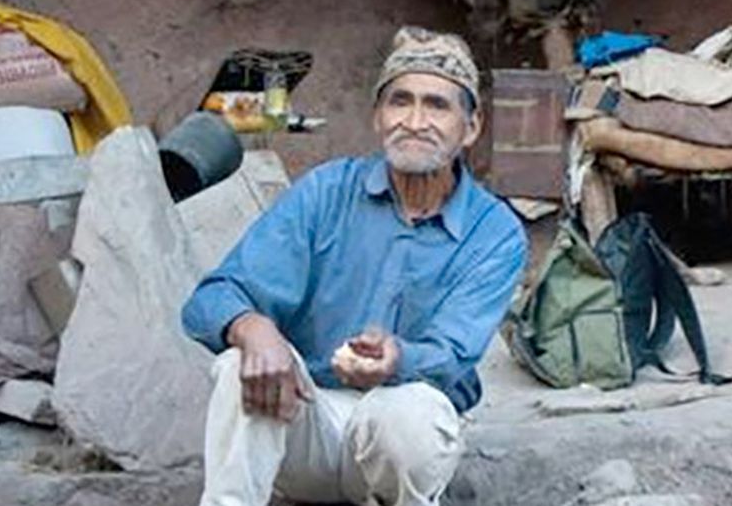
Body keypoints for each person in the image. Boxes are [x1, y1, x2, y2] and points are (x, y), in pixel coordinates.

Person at [181, 26, 528, 506]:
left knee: (412, 414)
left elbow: (452, 355)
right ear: (377, 117)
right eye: (400, 101)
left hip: (399, 431)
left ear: (470, 127)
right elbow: (212, 298)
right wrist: (251, 326)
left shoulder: (494, 233)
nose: (415, 120)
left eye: (437, 105)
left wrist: (398, 358)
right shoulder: (325, 193)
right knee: (243, 360)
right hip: (305, 422)